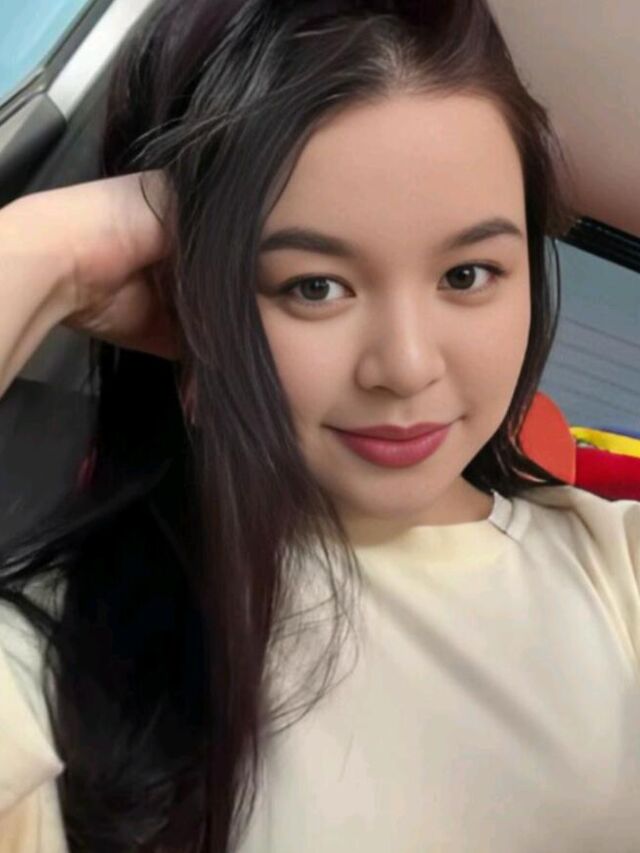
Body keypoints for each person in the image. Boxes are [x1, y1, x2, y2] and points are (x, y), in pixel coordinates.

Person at [1, 0, 639, 851]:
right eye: (314, 286)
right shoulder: (60, 656)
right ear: (193, 295)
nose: (405, 365)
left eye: (468, 273)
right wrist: (49, 249)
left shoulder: (617, 572)